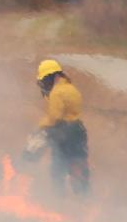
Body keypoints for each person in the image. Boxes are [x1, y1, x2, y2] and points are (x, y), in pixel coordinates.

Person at [28, 59, 89, 195]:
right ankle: (84, 198)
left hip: (64, 133)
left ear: (50, 77)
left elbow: (54, 118)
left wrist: (39, 127)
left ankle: (59, 200)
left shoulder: (56, 93)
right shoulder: (72, 89)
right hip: (78, 131)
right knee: (78, 165)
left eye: (44, 79)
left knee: (58, 169)